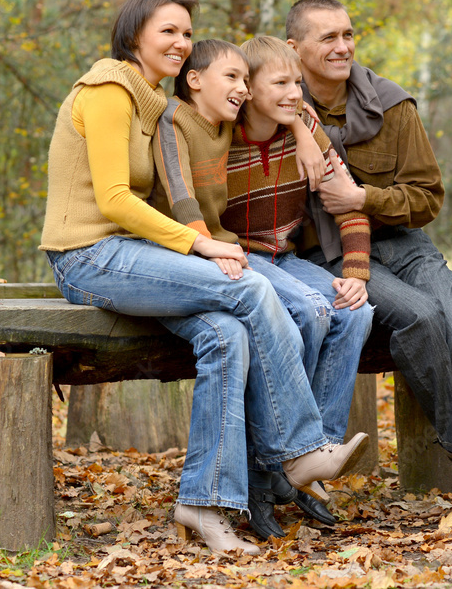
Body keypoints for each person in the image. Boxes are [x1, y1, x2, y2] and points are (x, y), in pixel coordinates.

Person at [39, 0, 367, 556]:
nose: (180, 43)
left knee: (228, 335)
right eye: (167, 31)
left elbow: (268, 106)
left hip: (137, 258)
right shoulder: (109, 91)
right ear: (134, 34)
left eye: (187, 34)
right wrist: (202, 245)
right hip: (89, 255)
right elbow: (115, 200)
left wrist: (297, 129)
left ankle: (205, 500)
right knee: (253, 286)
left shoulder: (153, 102)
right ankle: (298, 449)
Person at [285, 0, 452, 524]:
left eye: (348, 35)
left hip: (405, 244)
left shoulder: (392, 105)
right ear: (294, 48)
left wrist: (365, 199)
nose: (342, 47)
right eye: (327, 38)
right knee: (421, 317)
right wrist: (297, 131)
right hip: (331, 256)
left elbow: (428, 198)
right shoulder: (276, 104)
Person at [152, 36, 373, 540]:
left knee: (356, 312)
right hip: (240, 252)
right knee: (313, 312)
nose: (296, 93)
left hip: (287, 257)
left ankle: (312, 462)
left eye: (298, 83)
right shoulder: (220, 133)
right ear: (249, 91)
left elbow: (349, 201)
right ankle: (273, 467)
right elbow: (187, 188)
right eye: (282, 83)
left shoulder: (307, 126)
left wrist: (356, 273)